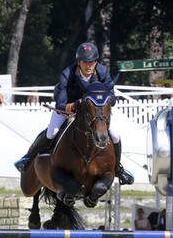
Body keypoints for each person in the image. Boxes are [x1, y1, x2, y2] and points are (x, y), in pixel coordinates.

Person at [13, 42, 134, 185]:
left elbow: (112, 98)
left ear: (96, 62)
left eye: (91, 62)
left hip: (95, 112)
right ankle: (28, 158)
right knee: (52, 132)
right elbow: (60, 103)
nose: (88, 65)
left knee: (114, 134)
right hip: (69, 109)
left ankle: (118, 168)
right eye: (85, 62)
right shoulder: (67, 74)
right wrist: (75, 106)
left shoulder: (103, 72)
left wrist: (101, 101)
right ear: (79, 62)